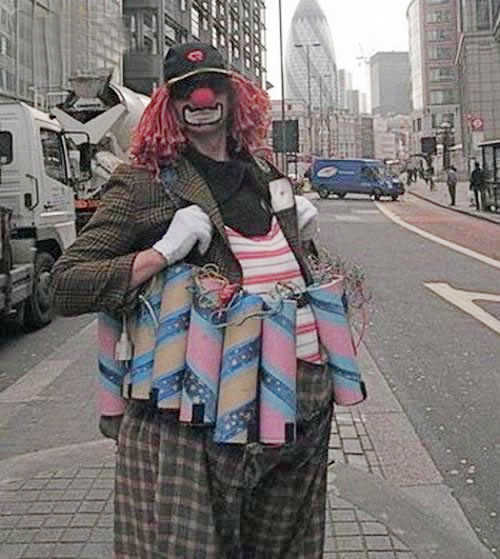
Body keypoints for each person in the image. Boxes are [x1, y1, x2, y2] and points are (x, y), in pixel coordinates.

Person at [50, 42, 364, 558]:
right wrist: (160, 252)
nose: (200, 98)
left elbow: (281, 275)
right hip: (201, 415)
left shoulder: (266, 176)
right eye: (185, 90)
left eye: (213, 84)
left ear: (235, 96)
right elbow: (66, 284)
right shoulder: (144, 184)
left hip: (297, 405)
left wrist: (301, 239)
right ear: (168, 104)